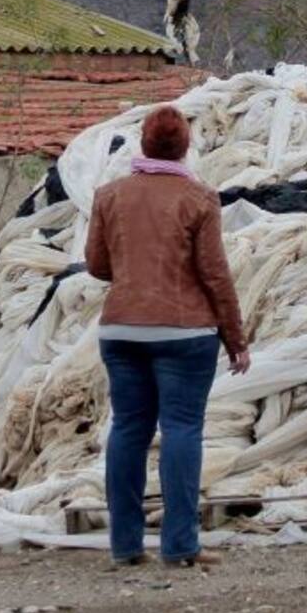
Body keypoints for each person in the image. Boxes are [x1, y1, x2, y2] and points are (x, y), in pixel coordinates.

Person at [85, 105, 250, 567]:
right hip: (184, 332)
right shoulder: (199, 199)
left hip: (120, 330)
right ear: (186, 146)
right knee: (181, 429)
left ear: (142, 143)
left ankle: (125, 546)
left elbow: (97, 265)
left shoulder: (108, 195)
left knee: (128, 429)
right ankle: (179, 546)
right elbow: (215, 275)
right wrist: (235, 338)